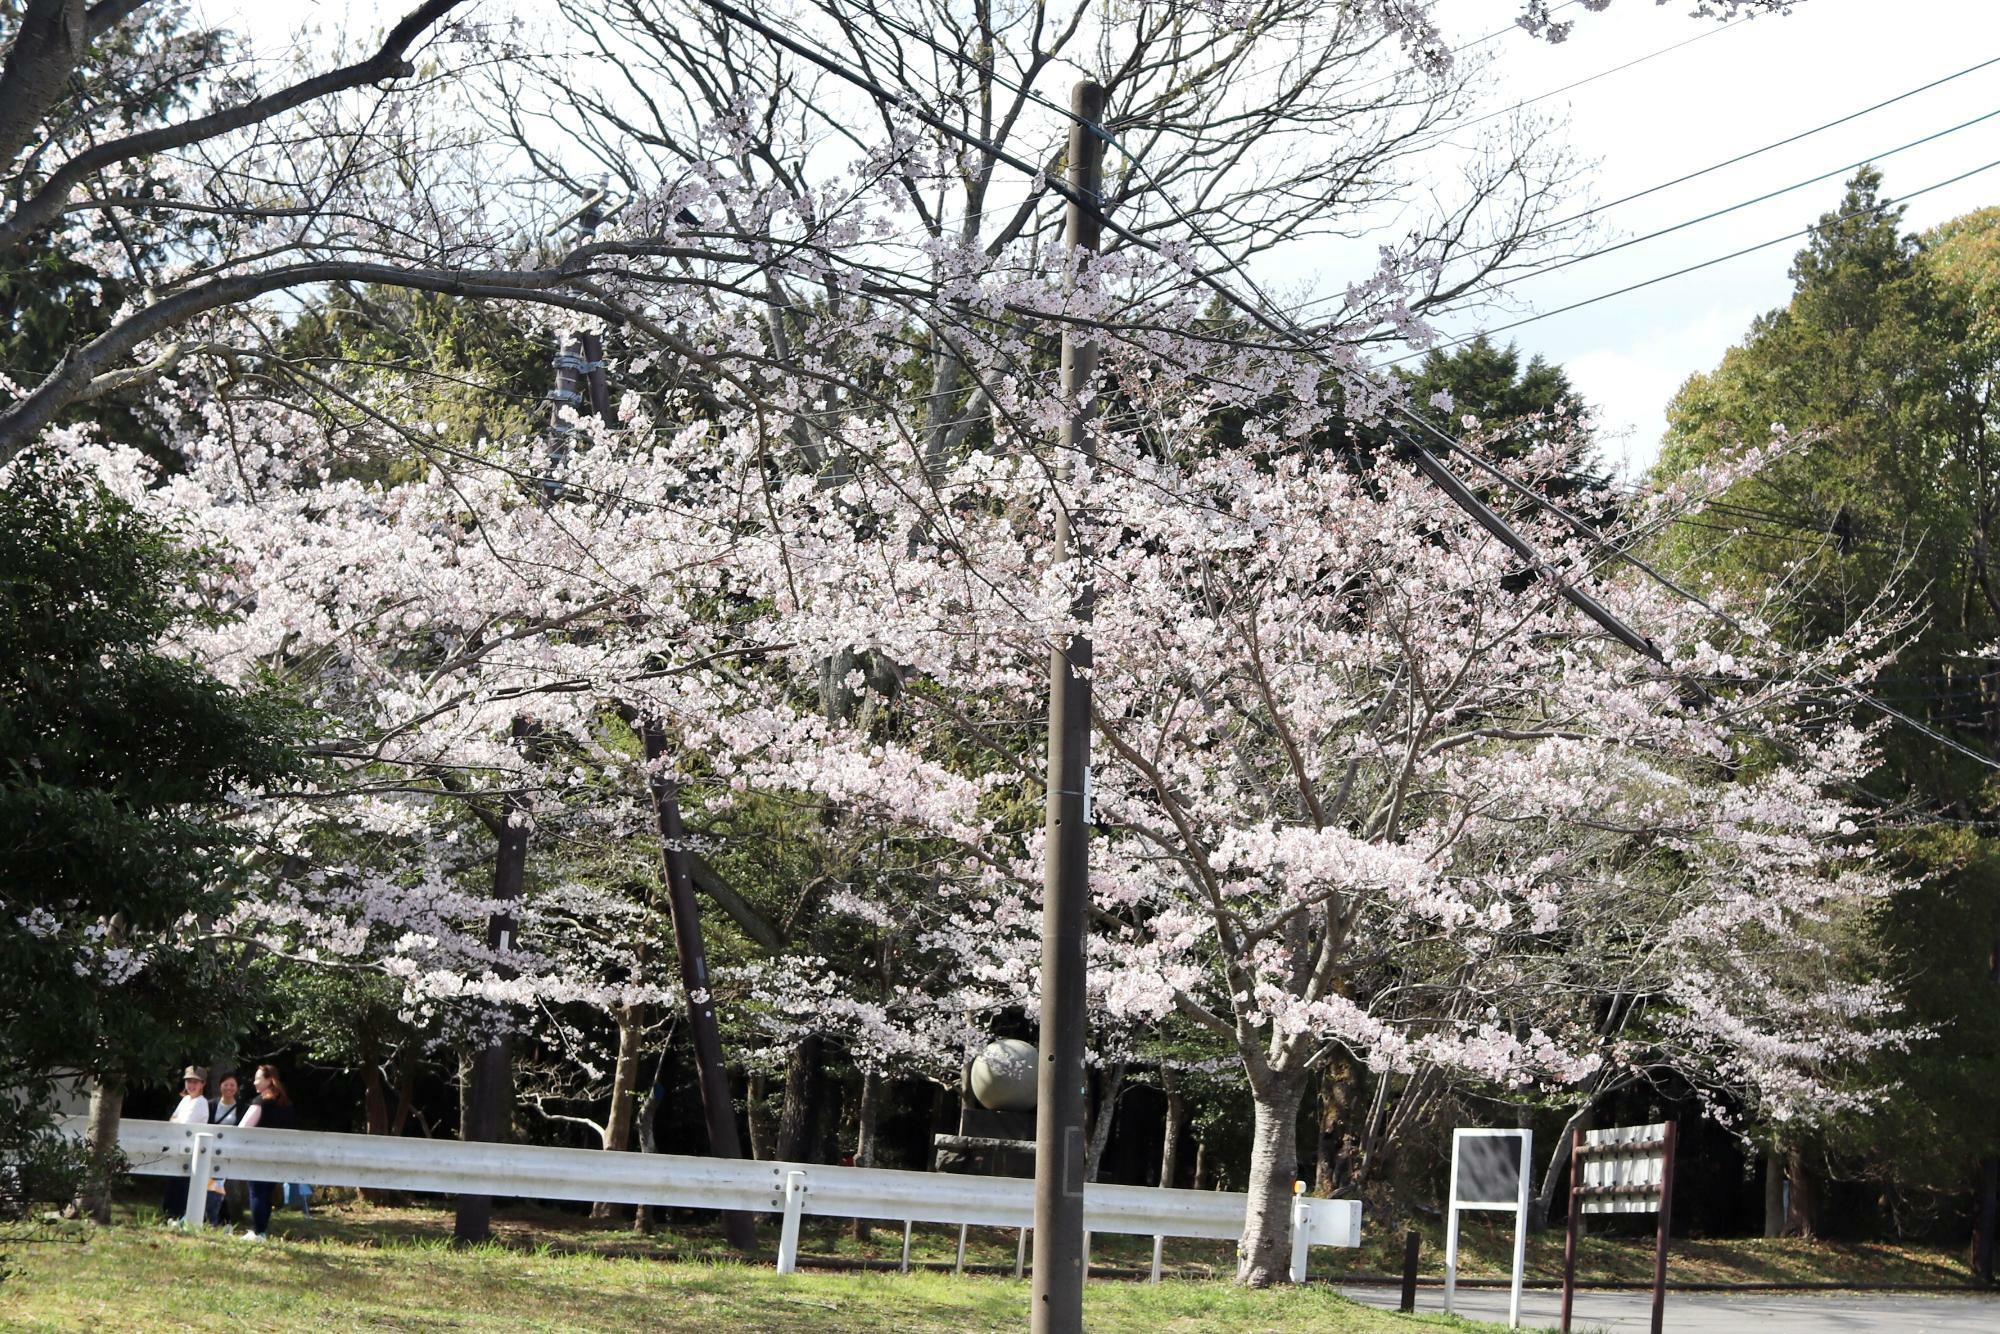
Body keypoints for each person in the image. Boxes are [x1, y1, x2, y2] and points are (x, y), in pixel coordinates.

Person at [236, 1064, 294, 1240]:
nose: (254, 1082)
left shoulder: (261, 1102)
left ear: (269, 1080)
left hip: (258, 1154)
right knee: (267, 1193)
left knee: (257, 1192)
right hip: (279, 1155)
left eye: (257, 1078)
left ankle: (258, 1231)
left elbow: (243, 1128)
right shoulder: (287, 1104)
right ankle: (262, 1230)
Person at [163, 1066, 211, 1223]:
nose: (191, 1085)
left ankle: (177, 1216)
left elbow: (185, 1124)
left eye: (195, 1082)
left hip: (190, 1151)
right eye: (189, 1081)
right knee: (173, 1184)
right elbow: (172, 1119)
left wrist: (177, 1122)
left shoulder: (201, 1102)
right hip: (177, 1148)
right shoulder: (185, 1100)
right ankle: (169, 1216)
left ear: (202, 1084)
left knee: (183, 1186)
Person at [205, 1072, 245, 1226]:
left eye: (232, 1085)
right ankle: (221, 1220)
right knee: (214, 1185)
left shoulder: (242, 1107)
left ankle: (218, 1220)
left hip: (230, 1152)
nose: (229, 1088)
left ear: (237, 1088)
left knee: (218, 1184)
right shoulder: (211, 1105)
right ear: (220, 1085)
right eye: (226, 1084)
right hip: (210, 1150)